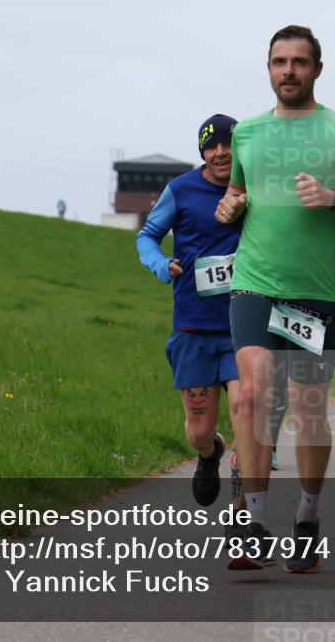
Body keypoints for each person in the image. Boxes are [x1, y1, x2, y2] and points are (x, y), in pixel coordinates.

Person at [215, 25, 335, 572]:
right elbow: (238, 194)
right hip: (254, 281)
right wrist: (230, 208)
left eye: (298, 62)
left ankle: (308, 517)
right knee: (251, 394)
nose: (287, 70)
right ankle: (254, 525)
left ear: (317, 69)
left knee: (309, 411)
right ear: (267, 68)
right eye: (278, 61)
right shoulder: (245, 132)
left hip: (316, 292)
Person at [136, 114, 241, 507]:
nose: (219, 152)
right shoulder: (180, 190)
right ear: (203, 152)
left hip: (242, 324)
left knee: (243, 409)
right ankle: (209, 453)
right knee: (199, 429)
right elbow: (148, 236)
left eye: (227, 143)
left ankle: (243, 510)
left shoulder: (254, 189)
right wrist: (162, 265)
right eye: (210, 146)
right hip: (194, 326)